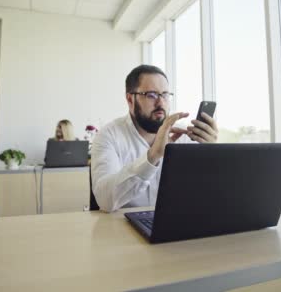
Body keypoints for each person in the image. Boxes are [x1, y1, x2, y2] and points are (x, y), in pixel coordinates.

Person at [91, 65, 218, 212]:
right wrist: (153, 156)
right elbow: (105, 201)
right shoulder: (109, 135)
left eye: (164, 95)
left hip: (176, 223)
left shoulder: (185, 136)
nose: (161, 103)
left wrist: (212, 155)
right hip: (123, 227)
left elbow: (205, 194)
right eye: (151, 95)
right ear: (130, 100)